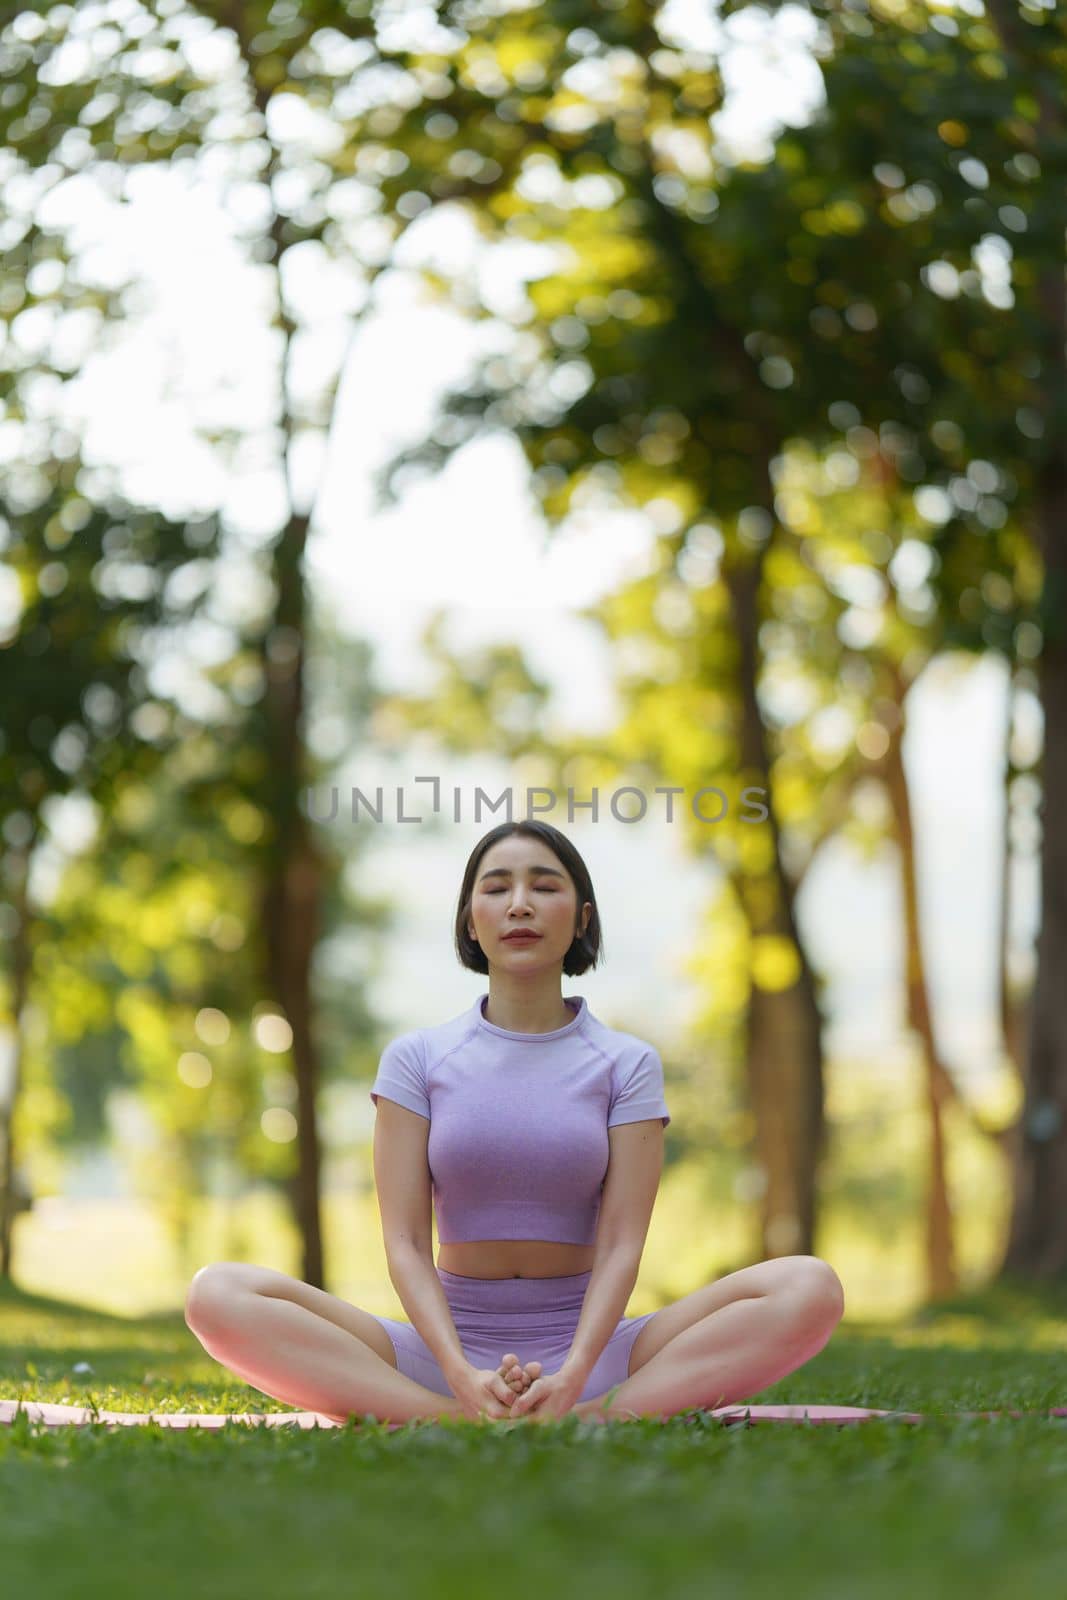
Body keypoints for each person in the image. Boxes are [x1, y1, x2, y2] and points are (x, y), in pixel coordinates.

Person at [185, 820, 845, 1427]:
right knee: (217, 1294)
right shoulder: (417, 1060)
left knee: (807, 1286)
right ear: (471, 922)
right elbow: (406, 1245)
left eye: (544, 885)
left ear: (581, 918)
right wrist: (457, 1373)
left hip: (596, 1353)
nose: (519, 904)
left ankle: (589, 1416)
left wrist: (577, 1372)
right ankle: (451, 1416)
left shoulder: (625, 1063)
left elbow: (620, 1244)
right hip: (441, 1349)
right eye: (496, 888)